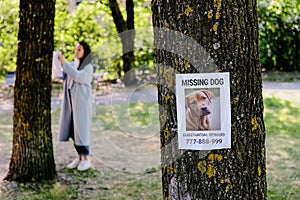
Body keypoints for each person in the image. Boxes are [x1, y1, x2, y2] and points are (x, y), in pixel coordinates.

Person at [57, 41, 93, 171]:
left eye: (79, 50)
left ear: (85, 52)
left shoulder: (88, 67)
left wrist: (64, 63)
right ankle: (79, 157)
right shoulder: (73, 65)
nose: (76, 52)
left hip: (82, 103)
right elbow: (65, 76)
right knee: (73, 129)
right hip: (71, 102)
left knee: (82, 130)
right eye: (76, 49)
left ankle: (86, 158)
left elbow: (78, 77)